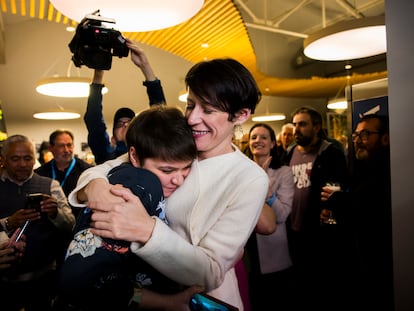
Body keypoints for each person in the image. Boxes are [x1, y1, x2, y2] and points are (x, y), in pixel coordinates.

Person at [68, 53, 269, 310]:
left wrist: (145, 230)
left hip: (197, 301)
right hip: (144, 294)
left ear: (241, 115)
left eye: (207, 110)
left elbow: (211, 271)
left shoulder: (249, 178)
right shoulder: (180, 140)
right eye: (190, 104)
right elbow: (102, 169)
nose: (192, 118)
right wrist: (95, 187)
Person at [56, 105, 197, 310]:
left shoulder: (143, 175)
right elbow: (80, 283)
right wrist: (167, 303)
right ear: (134, 156)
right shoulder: (140, 183)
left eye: (186, 168)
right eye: (167, 170)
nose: (178, 180)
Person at [321, 114, 393, 310]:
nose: (358, 141)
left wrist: (337, 201)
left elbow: (371, 206)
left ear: (386, 138)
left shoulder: (392, 169)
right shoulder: (360, 166)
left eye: (365, 134)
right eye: (356, 135)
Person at [0, 134, 75, 311]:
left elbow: (71, 225)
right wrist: (8, 222)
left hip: (43, 279)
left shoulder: (50, 185)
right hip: (3, 282)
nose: (23, 164)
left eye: (27, 158)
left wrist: (55, 213)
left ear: (35, 159)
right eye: (15, 159)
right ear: (3, 160)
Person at [284, 106, 349, 310]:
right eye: (295, 124)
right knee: (298, 283)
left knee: (321, 285)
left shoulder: (330, 152)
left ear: (317, 126)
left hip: (319, 232)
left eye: (302, 124)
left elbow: (339, 188)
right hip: (292, 230)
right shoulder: (289, 153)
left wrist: (329, 213)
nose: (296, 129)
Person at [85, 41, 166, 165]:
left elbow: (161, 116)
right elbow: (94, 119)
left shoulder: (148, 153)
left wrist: (145, 66)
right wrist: (98, 74)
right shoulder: (106, 156)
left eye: (130, 122)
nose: (125, 125)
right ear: (112, 139)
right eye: (120, 124)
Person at [244, 123, 294, 311]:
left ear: (273, 143)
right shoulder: (243, 172)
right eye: (254, 137)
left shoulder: (283, 172)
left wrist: (269, 196)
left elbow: (282, 215)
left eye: (263, 137)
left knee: (273, 301)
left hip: (271, 249)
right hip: (245, 249)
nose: (258, 141)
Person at [35, 129, 93, 218]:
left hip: (80, 222)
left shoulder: (87, 171)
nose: (66, 150)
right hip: (50, 224)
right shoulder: (40, 174)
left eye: (69, 145)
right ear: (51, 148)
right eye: (61, 146)